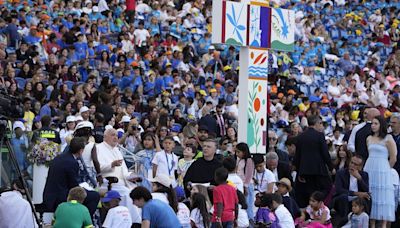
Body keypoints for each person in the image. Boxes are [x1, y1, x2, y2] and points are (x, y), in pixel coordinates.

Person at [43, 137, 100, 217]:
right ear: (81, 151)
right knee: (94, 196)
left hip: (50, 195)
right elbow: (73, 186)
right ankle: (82, 219)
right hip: (60, 198)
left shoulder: (58, 158)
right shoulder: (72, 162)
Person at [96, 128, 141, 223]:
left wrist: (132, 176)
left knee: (138, 192)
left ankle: (135, 221)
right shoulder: (99, 148)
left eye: (116, 135)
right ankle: (134, 222)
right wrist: (111, 165)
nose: (115, 137)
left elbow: (124, 171)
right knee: (128, 194)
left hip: (122, 183)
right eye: (113, 135)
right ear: (105, 137)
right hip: (107, 183)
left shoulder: (117, 150)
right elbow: (96, 168)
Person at [363, 115, 396, 227]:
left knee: (383, 195)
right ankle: (371, 223)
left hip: (383, 168)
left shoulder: (388, 138)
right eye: (372, 123)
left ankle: (383, 224)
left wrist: (387, 170)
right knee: (372, 193)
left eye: (376, 123)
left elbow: (393, 157)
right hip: (370, 167)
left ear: (381, 125)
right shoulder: (368, 138)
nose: (373, 125)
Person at [294, 115, 333, 208]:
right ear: (316, 123)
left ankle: (310, 210)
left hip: (305, 171)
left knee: (308, 193)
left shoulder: (300, 136)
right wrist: (331, 167)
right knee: (324, 188)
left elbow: (297, 155)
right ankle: (317, 209)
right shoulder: (319, 135)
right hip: (318, 170)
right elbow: (325, 153)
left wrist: (299, 171)